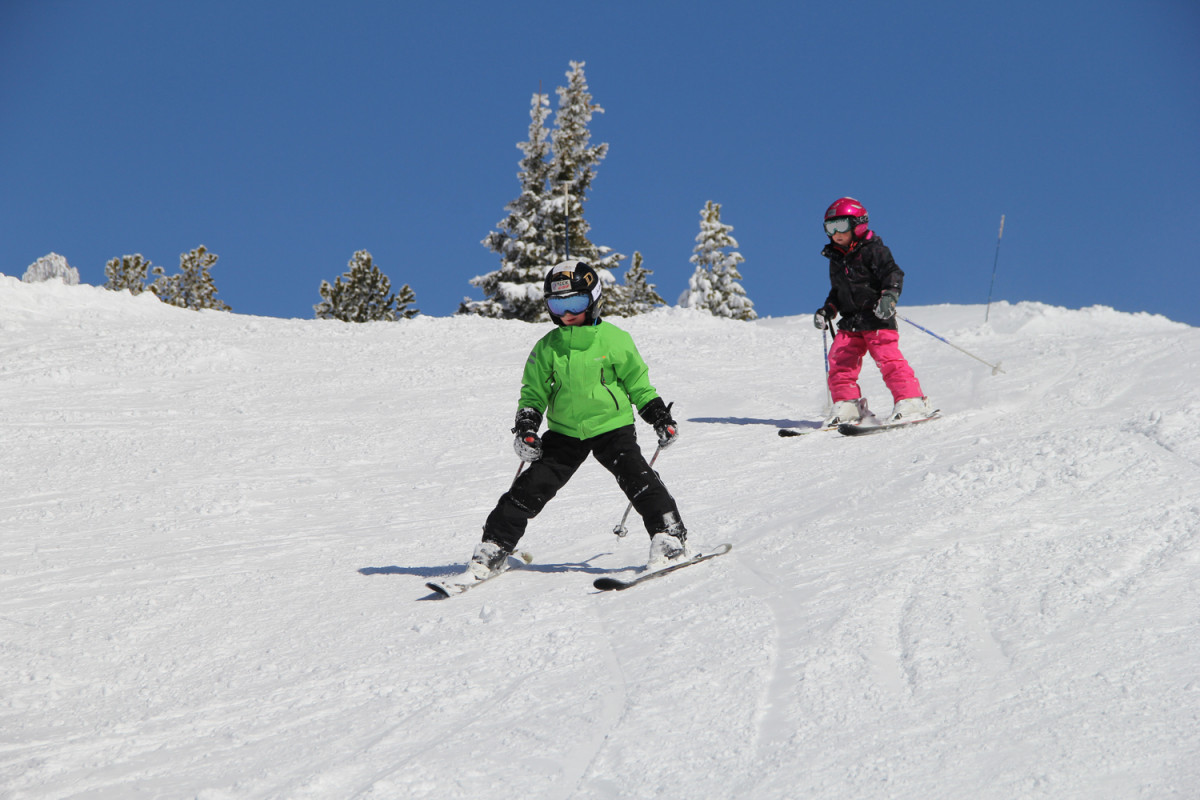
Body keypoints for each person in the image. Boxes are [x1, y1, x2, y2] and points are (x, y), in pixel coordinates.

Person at [456, 260, 689, 587]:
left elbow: (638, 385)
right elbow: (533, 394)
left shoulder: (614, 340)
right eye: (557, 305)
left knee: (638, 478)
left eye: (576, 304)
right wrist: (527, 427)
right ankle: (494, 547)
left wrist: (659, 417)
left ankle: (669, 537)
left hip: (612, 427)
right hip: (565, 433)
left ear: (594, 300)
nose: (567, 313)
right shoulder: (547, 348)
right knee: (529, 488)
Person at [812, 197, 933, 426]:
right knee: (840, 361)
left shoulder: (874, 250)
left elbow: (893, 274)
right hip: (851, 322)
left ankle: (911, 400)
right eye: (830, 227)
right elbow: (838, 291)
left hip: (877, 316)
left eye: (841, 226)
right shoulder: (836, 259)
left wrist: (889, 296)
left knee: (888, 359)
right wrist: (828, 310)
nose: (836, 233)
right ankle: (847, 405)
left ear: (858, 224)